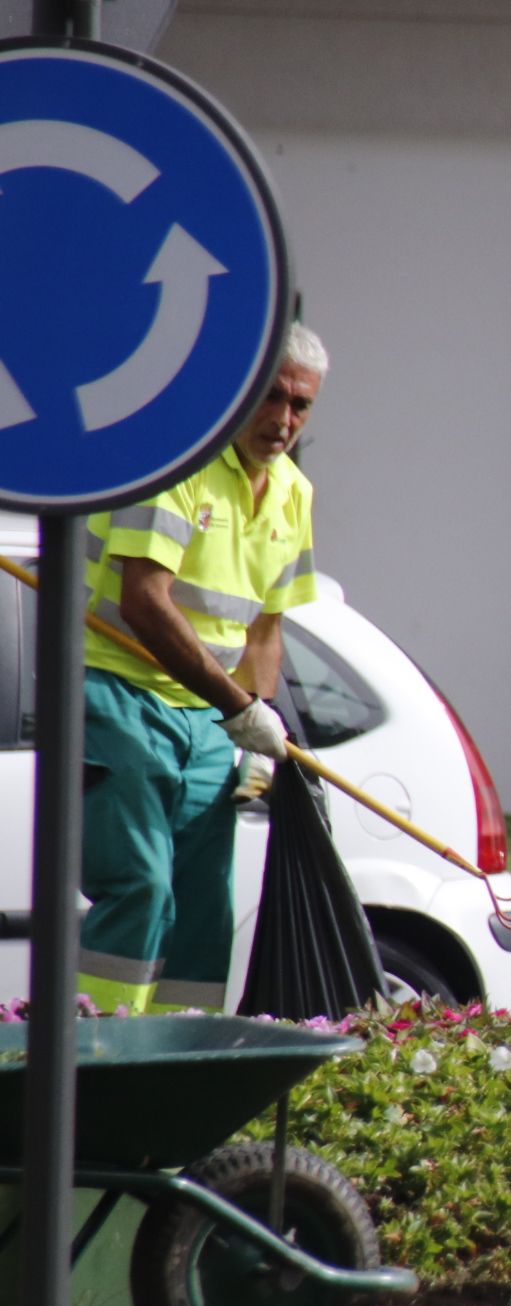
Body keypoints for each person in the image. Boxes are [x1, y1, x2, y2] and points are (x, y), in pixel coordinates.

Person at [77, 324, 326, 1015]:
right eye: (271, 397)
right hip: (118, 691)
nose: (283, 419)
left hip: (210, 721)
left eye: (301, 406)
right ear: (238, 390)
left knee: (202, 909)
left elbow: (265, 631)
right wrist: (242, 711)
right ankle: (94, 1056)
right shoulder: (175, 463)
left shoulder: (295, 495)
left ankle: (179, 1071)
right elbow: (144, 602)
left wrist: (258, 722)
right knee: (141, 887)